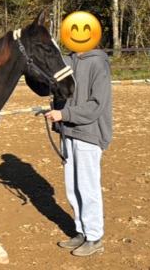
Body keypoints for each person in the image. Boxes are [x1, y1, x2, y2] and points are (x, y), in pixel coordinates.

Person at [45, 48, 112, 257]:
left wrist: (64, 113)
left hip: (88, 133)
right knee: (72, 188)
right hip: (68, 131)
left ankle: (94, 237)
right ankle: (82, 231)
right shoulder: (68, 60)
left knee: (87, 186)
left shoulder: (98, 63)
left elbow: (96, 105)